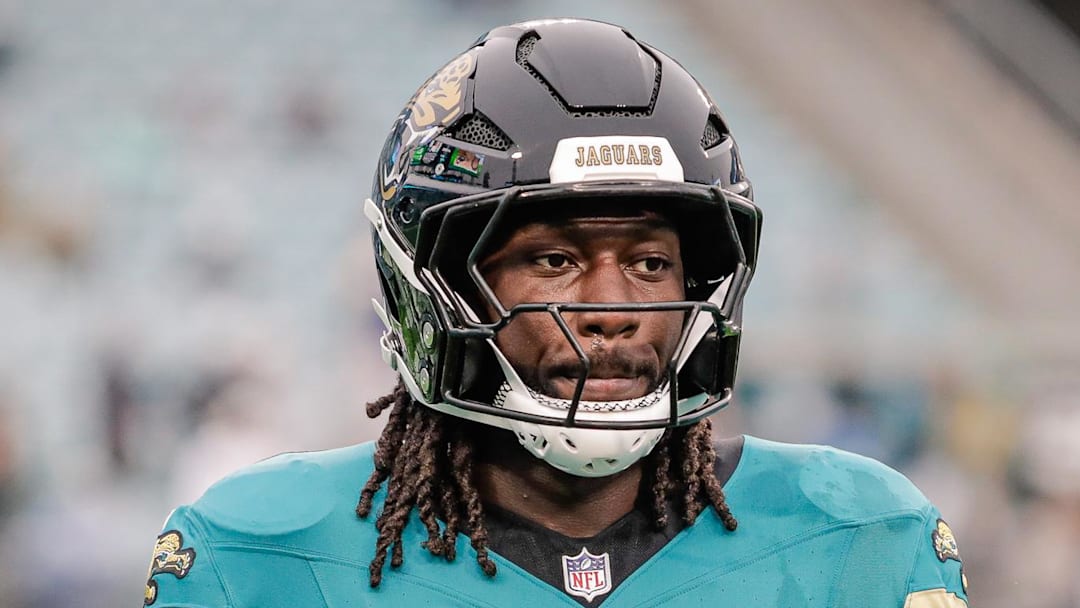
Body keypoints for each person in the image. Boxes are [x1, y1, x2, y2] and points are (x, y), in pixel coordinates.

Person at [143, 18, 970, 607]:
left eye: (650, 263)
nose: (611, 308)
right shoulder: (257, 556)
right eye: (555, 260)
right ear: (434, 285)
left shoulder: (859, 538)